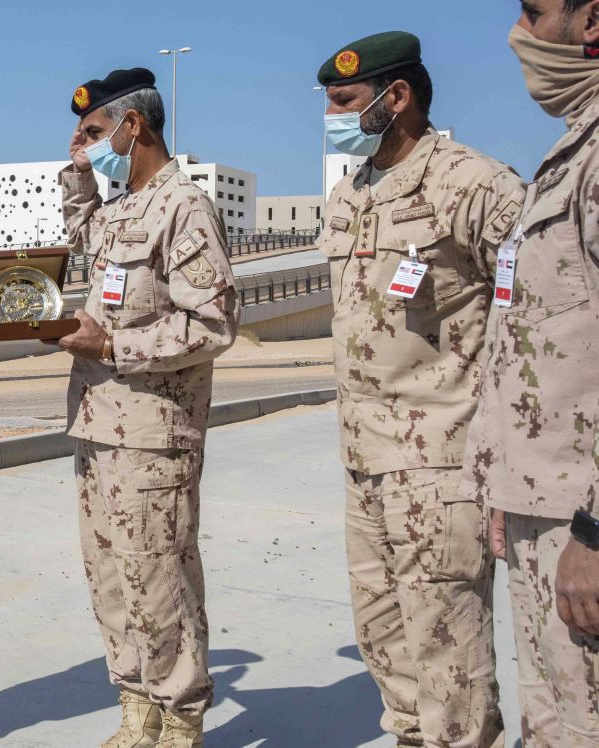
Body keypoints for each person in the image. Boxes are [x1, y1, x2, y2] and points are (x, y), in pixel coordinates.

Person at [316, 31, 526, 748]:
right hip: (362, 462)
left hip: (440, 461)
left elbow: (535, 308)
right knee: (384, 644)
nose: (330, 116)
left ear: (395, 97)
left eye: (342, 101)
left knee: (448, 657)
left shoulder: (473, 184)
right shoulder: (350, 195)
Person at [55, 67, 239, 748]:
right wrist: (78, 170)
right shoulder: (120, 207)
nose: (88, 143)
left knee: (158, 580)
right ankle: (136, 707)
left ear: (134, 126)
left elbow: (213, 323)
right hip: (99, 422)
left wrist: (115, 344)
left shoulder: (181, 205)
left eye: (96, 131)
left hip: (153, 432)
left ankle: (179, 716)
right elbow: (81, 235)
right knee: (110, 577)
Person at [462, 2, 599, 743]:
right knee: (549, 723)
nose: (517, 34)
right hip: (540, 509)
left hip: (581, 521)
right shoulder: (568, 154)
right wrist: (503, 487)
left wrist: (597, 530)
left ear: (592, 21)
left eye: (535, 12)